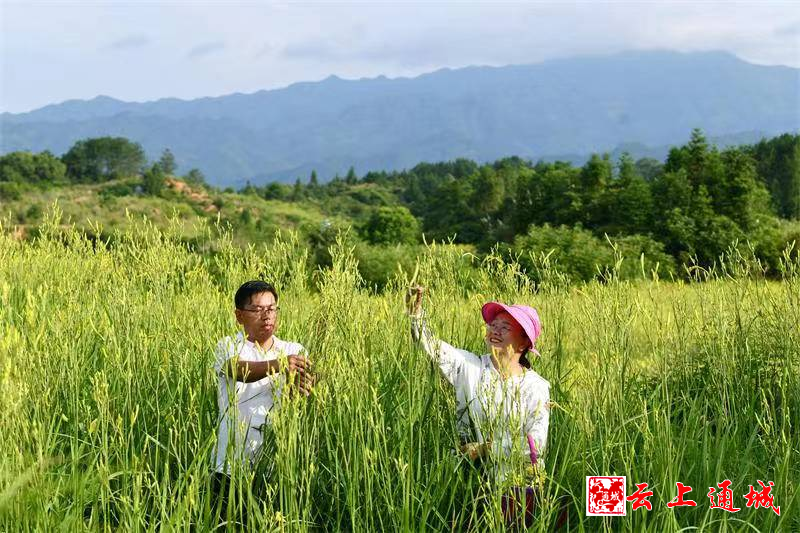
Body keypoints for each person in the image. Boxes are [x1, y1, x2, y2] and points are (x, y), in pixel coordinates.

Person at [405, 286, 550, 485]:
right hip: (471, 482)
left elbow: (536, 445)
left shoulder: (535, 386)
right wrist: (415, 315)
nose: (495, 330)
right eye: (493, 324)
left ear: (524, 343)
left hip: (521, 487)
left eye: (505, 327)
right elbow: (432, 347)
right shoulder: (470, 366)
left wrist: (485, 449)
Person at [211, 280, 313, 514]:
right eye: (257, 310)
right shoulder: (228, 346)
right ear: (239, 315)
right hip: (229, 465)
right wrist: (279, 364)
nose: (267, 316)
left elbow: (300, 395)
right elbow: (236, 369)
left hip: (276, 466)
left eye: (272, 308)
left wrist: (304, 386)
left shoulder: (294, 349)